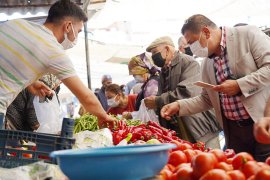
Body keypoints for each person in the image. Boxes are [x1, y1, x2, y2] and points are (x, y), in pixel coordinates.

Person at [161, 14, 270, 161]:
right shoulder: (206, 63)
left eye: (192, 42)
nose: (192, 50)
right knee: (242, 172)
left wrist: (239, 85)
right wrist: (179, 106)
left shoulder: (247, 34)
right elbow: (207, 99)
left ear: (206, 32)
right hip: (234, 131)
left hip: (262, 122)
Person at [0, 0, 115, 128]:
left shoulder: (16, 24)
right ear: (67, 26)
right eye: (78, 31)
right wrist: (103, 116)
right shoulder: (53, 50)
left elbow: (8, 62)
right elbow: (86, 96)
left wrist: (31, 83)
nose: (76, 36)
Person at [144, 36, 220, 148]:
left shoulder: (188, 62)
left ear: (167, 49)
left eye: (155, 52)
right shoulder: (164, 71)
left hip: (199, 128)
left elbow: (187, 92)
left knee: (211, 159)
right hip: (179, 128)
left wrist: (158, 101)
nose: (154, 57)